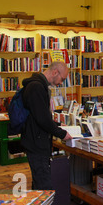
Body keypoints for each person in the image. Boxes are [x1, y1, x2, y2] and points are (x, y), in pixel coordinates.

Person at [21, 61, 73, 190]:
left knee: (39, 182)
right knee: (44, 187)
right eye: (63, 79)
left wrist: (57, 125)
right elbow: (42, 119)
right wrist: (61, 133)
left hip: (36, 140)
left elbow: (40, 115)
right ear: (55, 72)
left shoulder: (38, 86)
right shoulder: (36, 87)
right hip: (36, 143)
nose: (61, 83)